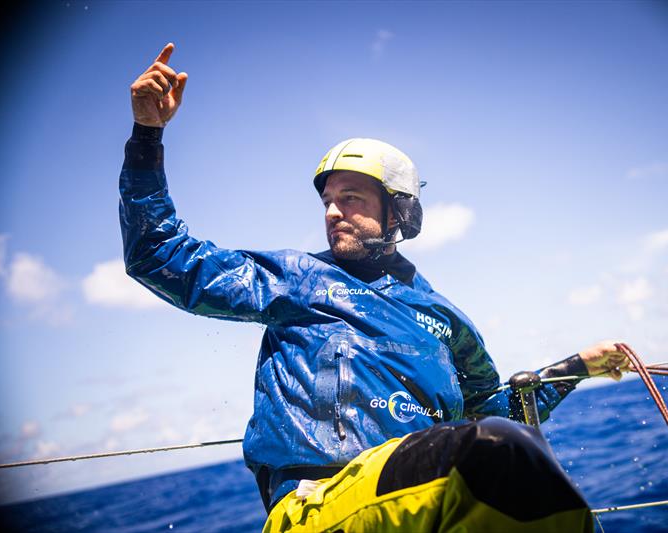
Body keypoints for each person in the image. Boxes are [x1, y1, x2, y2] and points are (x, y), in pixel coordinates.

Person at [122, 43, 633, 532]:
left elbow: (494, 412)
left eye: (351, 197)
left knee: (529, 472)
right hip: (315, 510)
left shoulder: (445, 319)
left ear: (399, 211)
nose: (332, 211)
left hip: (424, 508)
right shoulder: (295, 280)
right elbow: (160, 257)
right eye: (327, 199)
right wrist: (147, 133)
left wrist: (575, 369)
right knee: (496, 454)